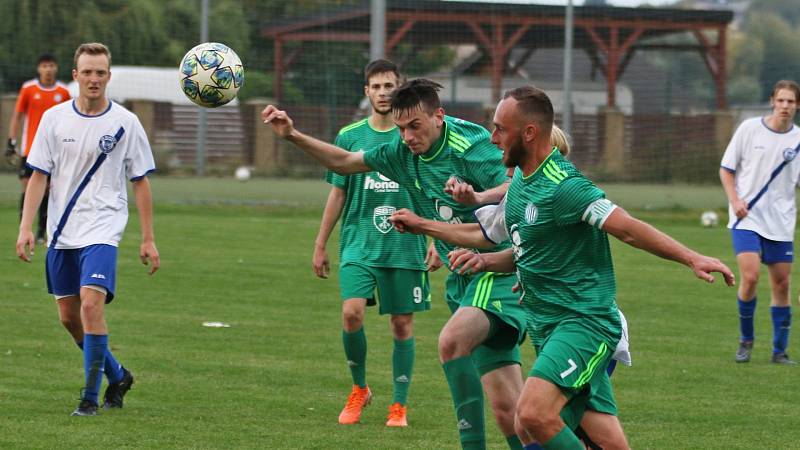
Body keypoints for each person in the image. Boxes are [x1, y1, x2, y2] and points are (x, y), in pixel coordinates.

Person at [392, 86, 735, 450]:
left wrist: (692, 257)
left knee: (532, 415)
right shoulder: (520, 184)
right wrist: (484, 259)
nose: (491, 139)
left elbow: (628, 229)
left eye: (500, 129)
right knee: (594, 439)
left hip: (584, 323)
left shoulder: (565, 186)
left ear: (529, 133)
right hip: (549, 326)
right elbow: (507, 242)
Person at [264, 79, 528, 449]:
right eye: (401, 128)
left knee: (452, 342)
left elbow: (517, 184)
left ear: (439, 116)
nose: (406, 136)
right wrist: (293, 135)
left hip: (497, 267)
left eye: (414, 126)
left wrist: (480, 195)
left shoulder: (469, 146)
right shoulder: (401, 151)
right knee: (509, 410)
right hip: (462, 276)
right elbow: (343, 161)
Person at [15, 42, 160, 417]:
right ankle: (118, 374)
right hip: (62, 230)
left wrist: (147, 238)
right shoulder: (54, 118)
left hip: (103, 227)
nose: (94, 78)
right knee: (68, 318)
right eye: (88, 72)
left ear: (108, 77)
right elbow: (38, 176)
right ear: (75, 76)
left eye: (101, 72)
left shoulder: (126, 123)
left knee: (92, 305)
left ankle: (89, 399)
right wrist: (26, 227)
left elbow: (140, 181)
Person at [312, 59, 438, 427]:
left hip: (405, 246)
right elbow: (337, 193)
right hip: (358, 243)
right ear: (366, 91)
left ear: (398, 90)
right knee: (351, 313)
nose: (383, 92)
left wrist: (436, 239)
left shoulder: (413, 134)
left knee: (402, 325)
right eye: (376, 86)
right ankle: (359, 389)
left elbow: (431, 189)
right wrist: (320, 243)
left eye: (389, 86)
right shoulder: (349, 136)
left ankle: (399, 405)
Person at [720, 79, 800, 365]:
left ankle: (780, 351)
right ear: (772, 101)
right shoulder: (749, 129)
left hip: (781, 223)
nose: (785, 106)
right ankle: (746, 340)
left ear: (797, 106)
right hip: (747, 218)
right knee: (751, 276)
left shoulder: (798, 140)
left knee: (781, 284)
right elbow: (727, 170)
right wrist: (735, 201)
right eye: (781, 100)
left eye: (791, 101)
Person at [6, 54, 71, 243]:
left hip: (55, 150)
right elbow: (17, 116)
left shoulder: (63, 91)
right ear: (39, 69)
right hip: (30, 149)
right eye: (44, 66)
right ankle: (24, 231)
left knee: (48, 190)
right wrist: (11, 142)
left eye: (51, 65)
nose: (48, 69)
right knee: (28, 187)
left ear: (56, 68)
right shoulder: (28, 89)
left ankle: (42, 233)